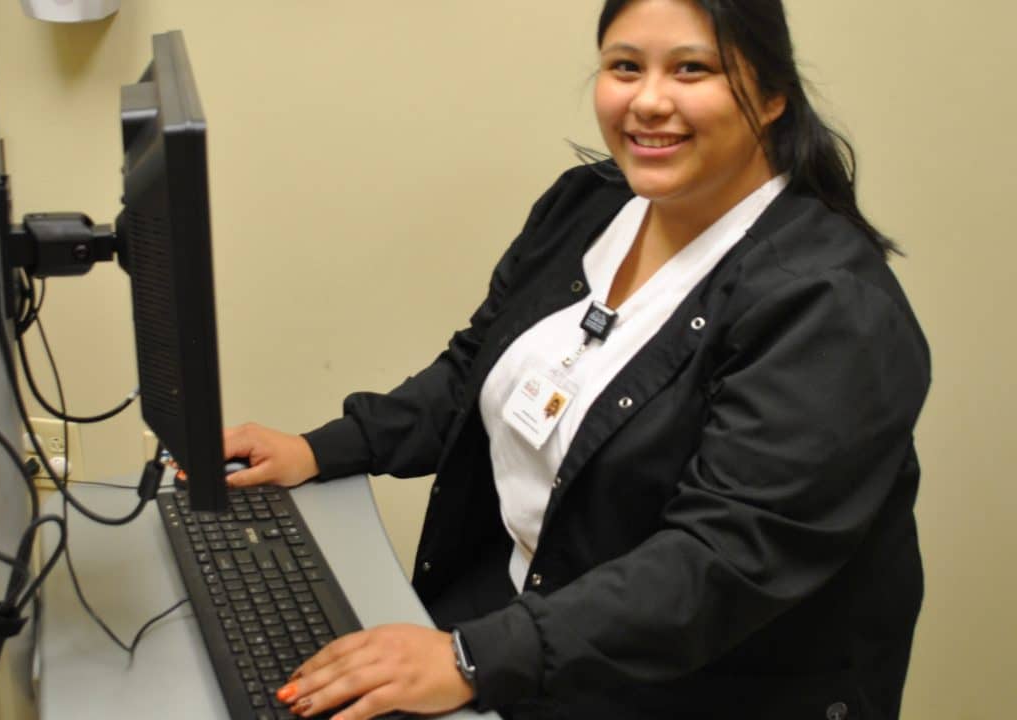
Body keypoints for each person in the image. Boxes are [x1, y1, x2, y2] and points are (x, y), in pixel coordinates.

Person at [223, 0, 931, 718]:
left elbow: (722, 560)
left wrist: (473, 658)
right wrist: (323, 449)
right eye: (625, 67)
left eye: (692, 69)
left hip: (684, 685)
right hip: (529, 630)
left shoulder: (829, 308)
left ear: (774, 94)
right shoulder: (588, 206)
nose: (648, 100)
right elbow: (476, 371)